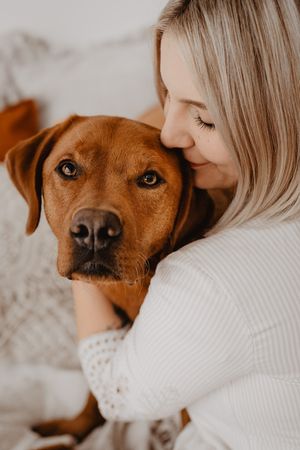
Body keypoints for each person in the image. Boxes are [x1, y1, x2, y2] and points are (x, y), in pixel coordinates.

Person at [72, 1, 300, 448]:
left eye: (205, 117)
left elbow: (117, 396)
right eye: (167, 96)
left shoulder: (211, 277)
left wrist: (81, 248)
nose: (169, 135)